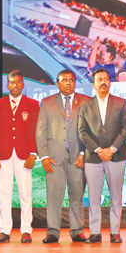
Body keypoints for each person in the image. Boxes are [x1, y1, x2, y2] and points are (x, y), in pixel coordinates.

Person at [78, 68, 126, 243]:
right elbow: (82, 132)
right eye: (99, 79)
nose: (103, 82)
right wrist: (99, 150)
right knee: (94, 196)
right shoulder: (85, 106)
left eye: (106, 79)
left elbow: (125, 129)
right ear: (93, 84)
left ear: (110, 82)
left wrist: (112, 149)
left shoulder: (121, 103)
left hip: (116, 156)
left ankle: (115, 232)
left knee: (116, 196)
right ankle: (95, 232)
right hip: (93, 158)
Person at [36, 69, 88, 243]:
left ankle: (77, 230)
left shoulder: (86, 102)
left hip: (77, 157)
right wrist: (43, 156)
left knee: (77, 195)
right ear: (57, 83)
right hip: (54, 158)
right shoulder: (47, 102)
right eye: (64, 80)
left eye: (71, 80)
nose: (68, 83)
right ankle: (53, 231)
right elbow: (41, 131)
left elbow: (89, 131)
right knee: (53, 196)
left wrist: (83, 153)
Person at [0, 70, 39, 243]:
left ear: (23, 85)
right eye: (12, 83)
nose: (15, 85)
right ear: (7, 85)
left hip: (24, 154)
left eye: (18, 83)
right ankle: (4, 230)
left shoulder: (32, 104)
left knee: (25, 193)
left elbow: (35, 131)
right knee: (4, 193)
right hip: (3, 155)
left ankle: (26, 230)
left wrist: (33, 153)